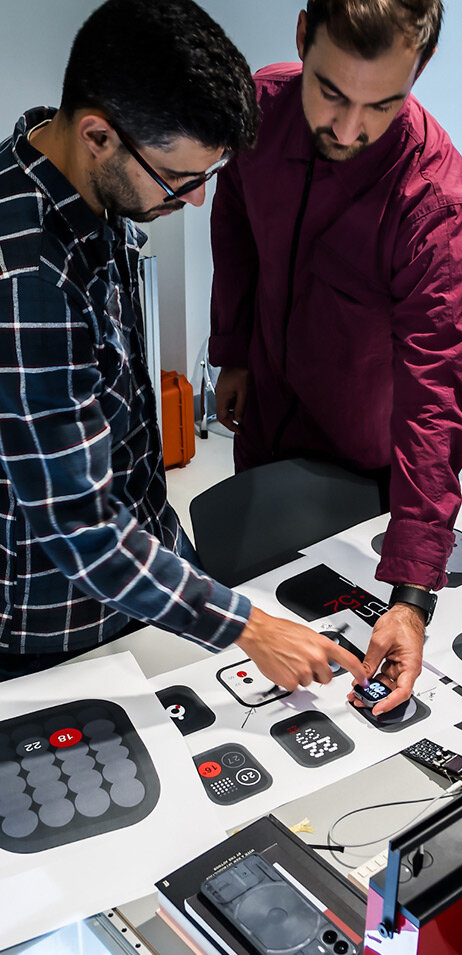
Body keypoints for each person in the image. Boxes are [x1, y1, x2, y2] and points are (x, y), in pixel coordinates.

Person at [0, 0, 366, 696]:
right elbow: (81, 530)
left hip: (147, 573)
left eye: (208, 176)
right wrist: (247, 627)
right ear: (98, 135)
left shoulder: (84, 182)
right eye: (181, 180)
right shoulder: (26, 279)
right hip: (56, 630)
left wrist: (206, 593)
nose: (196, 201)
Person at [210, 0, 462, 712]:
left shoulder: (434, 200)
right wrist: (233, 350)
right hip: (266, 408)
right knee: (256, 640)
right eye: (329, 92)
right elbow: (234, 217)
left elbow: (438, 394)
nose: (347, 129)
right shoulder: (260, 108)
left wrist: (412, 596)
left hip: (362, 457)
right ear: (303, 36)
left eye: (381, 104)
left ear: (420, 68)